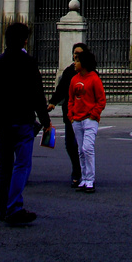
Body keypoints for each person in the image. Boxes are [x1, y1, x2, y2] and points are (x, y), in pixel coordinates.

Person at [0, 21, 51, 226]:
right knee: (21, 165)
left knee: (4, 166)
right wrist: (45, 120)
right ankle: (14, 208)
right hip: (23, 122)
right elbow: (37, 95)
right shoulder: (29, 63)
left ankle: (3, 207)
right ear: (25, 40)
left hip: (4, 124)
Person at [47, 43, 87, 187]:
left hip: (86, 114)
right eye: (75, 53)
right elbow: (61, 88)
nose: (76, 56)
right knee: (70, 144)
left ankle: (84, 173)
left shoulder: (90, 72)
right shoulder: (69, 71)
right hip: (70, 114)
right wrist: (52, 102)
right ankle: (77, 169)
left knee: (84, 146)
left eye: (80, 53)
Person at [67, 47, 106, 192]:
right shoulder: (74, 80)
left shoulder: (94, 79)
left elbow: (101, 100)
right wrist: (71, 116)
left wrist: (93, 115)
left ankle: (90, 179)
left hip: (89, 119)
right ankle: (84, 178)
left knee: (87, 148)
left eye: (76, 61)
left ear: (83, 63)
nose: (74, 64)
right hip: (77, 119)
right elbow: (71, 99)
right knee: (81, 151)